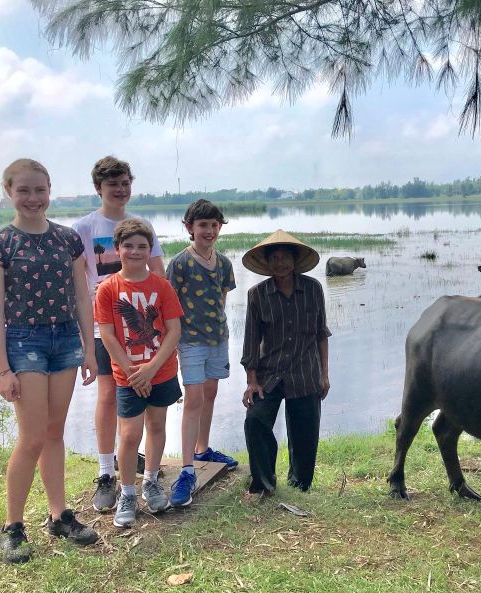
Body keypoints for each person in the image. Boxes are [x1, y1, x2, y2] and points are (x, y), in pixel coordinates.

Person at [0, 158, 99, 564]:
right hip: (23, 340)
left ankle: (58, 515)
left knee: (53, 432)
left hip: (65, 337)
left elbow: (83, 296)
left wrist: (89, 347)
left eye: (39, 190)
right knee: (31, 437)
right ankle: (12, 526)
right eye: (23, 191)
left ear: (50, 190)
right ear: (9, 193)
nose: (33, 198)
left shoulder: (68, 240)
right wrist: (2, 369)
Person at [72, 156, 165, 512]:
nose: (120, 190)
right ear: (99, 188)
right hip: (103, 326)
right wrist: (85, 336)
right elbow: (78, 283)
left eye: (125, 183)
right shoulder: (84, 227)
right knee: (109, 395)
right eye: (113, 184)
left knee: (146, 398)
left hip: (141, 330)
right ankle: (106, 472)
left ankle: (140, 466)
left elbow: (158, 274)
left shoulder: (141, 226)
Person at [95, 219, 184, 527]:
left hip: (161, 370)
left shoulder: (162, 285)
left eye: (142, 246)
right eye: (129, 246)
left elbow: (173, 331)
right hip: (128, 376)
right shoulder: (108, 288)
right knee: (130, 434)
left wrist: (151, 368)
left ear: (151, 250)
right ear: (117, 249)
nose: (135, 251)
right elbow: (107, 334)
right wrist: (133, 371)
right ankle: (127, 493)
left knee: (157, 426)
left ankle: (150, 481)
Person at [240, 230, 331, 500]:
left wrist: (324, 375)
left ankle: (299, 484)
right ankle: (264, 482)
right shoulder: (257, 295)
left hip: (306, 372)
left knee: (305, 431)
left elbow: (321, 335)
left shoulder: (312, 288)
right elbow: (251, 342)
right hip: (269, 374)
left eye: (286, 258)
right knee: (255, 420)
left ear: (295, 260)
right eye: (275, 258)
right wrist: (251, 381)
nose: (280, 263)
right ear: (267, 263)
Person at [166, 200, 238, 507]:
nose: (208, 231)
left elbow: (220, 300)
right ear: (189, 228)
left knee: (210, 393)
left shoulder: (223, 263)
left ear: (220, 227)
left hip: (218, 338)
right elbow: (169, 306)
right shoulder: (180, 263)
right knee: (193, 398)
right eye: (202, 225)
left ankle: (202, 448)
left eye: (214, 225)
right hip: (191, 341)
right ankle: (186, 470)